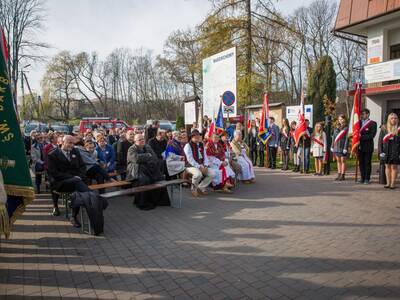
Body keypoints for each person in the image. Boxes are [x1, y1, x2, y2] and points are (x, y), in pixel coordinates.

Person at [47, 135, 91, 226]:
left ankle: (73, 216)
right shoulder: (52, 154)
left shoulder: (75, 151)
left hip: (76, 181)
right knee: (80, 187)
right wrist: (72, 178)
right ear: (62, 143)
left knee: (77, 191)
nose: (72, 145)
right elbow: (54, 173)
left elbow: (82, 166)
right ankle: (91, 197)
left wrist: (80, 176)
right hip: (60, 182)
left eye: (73, 143)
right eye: (69, 143)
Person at [126, 134, 170, 210]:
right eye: (139, 140)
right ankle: (143, 202)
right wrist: (147, 156)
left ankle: (159, 201)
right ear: (135, 141)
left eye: (143, 139)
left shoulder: (147, 147)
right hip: (136, 170)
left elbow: (154, 158)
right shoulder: (131, 149)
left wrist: (145, 157)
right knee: (144, 180)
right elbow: (136, 159)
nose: (142, 140)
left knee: (160, 178)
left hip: (149, 168)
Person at [183, 129, 216, 197]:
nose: (198, 137)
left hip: (201, 165)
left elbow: (205, 156)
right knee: (198, 174)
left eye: (198, 135)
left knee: (213, 173)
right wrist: (200, 167)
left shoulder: (201, 144)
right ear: (192, 137)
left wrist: (206, 166)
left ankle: (200, 187)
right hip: (189, 166)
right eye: (196, 136)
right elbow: (190, 159)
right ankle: (193, 189)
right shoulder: (188, 145)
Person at [379, 113, 400, 189]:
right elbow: (380, 141)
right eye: (392, 118)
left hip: (396, 150)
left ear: (397, 119)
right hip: (386, 150)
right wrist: (380, 151)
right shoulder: (384, 128)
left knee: (394, 167)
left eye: (395, 118)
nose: (393, 119)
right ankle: (388, 183)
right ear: (389, 119)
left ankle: (393, 184)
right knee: (387, 166)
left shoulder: (398, 129)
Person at [358, 108, 377, 184]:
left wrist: (361, 137)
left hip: (368, 146)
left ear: (368, 114)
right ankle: (362, 178)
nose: (362, 115)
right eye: (361, 114)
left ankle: (367, 178)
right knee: (361, 163)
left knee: (367, 163)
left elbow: (372, 135)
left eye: (363, 114)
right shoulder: (358, 123)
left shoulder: (373, 123)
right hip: (359, 146)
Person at [331, 114, 349, 181]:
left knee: (343, 161)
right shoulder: (336, 127)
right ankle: (339, 174)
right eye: (339, 119)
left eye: (341, 119)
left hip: (342, 146)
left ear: (344, 119)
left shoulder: (347, 128)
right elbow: (333, 137)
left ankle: (342, 175)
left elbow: (347, 138)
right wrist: (332, 146)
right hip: (336, 147)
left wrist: (345, 147)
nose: (340, 120)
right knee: (338, 161)